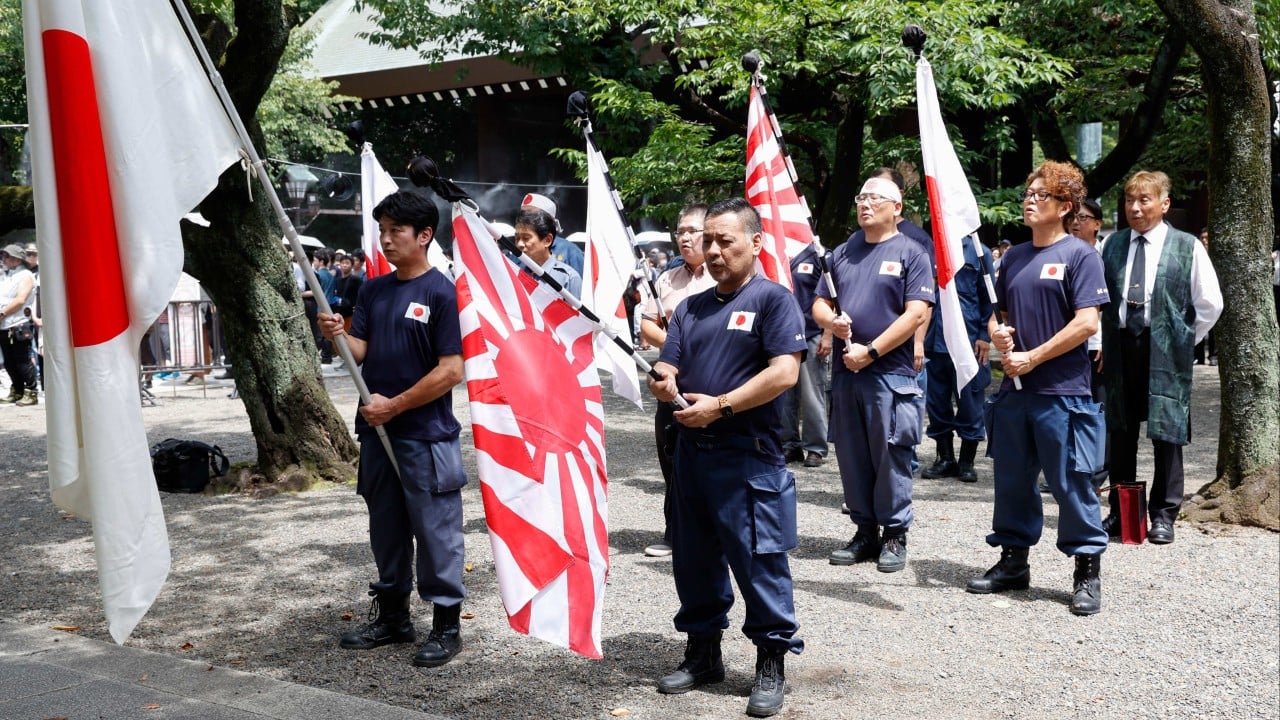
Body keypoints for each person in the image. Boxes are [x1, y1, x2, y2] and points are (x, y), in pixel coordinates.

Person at [647, 197, 805, 718]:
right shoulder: (691, 306)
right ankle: (702, 653)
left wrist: (722, 405)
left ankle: (770, 660)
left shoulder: (773, 301)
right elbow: (669, 364)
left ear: (755, 243)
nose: (713, 251)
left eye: (724, 240)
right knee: (693, 560)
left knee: (759, 563)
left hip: (747, 456)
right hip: (691, 454)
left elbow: (785, 373)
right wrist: (665, 380)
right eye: (707, 241)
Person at [318, 190, 469, 668]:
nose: (385, 240)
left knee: (437, 530)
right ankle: (393, 617)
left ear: (424, 235)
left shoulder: (441, 293)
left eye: (395, 231)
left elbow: (451, 370)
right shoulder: (374, 289)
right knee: (385, 525)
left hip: (426, 435)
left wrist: (396, 405)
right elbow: (360, 351)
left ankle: (446, 625)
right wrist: (339, 335)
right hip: (377, 436)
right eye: (381, 230)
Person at [966, 160, 1109, 616]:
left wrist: (1035, 355)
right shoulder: (1015, 257)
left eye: (1040, 194)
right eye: (1027, 193)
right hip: (1014, 392)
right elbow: (999, 314)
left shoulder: (1080, 256)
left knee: (1070, 482)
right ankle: (1013, 561)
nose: (1029, 200)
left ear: (1065, 206)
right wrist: (999, 333)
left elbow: (1087, 321)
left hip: (1062, 392)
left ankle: (1086, 569)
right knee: (1011, 479)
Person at [814, 176, 933, 573]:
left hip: (890, 373)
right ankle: (864, 530)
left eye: (874, 199)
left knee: (890, 453)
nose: (865, 204)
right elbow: (818, 302)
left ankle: (895, 532)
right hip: (849, 372)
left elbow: (916, 312)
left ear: (896, 207)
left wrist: (874, 349)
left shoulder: (911, 252)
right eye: (861, 197)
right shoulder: (843, 253)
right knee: (851, 453)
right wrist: (833, 323)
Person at [1099, 171, 1222, 545]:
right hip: (1121, 345)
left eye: (1144, 200)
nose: (1135, 208)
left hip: (1165, 348)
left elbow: (1210, 303)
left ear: (1164, 204)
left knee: (1167, 433)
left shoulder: (1186, 246)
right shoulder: (1112, 245)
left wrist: (1184, 340)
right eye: (1129, 201)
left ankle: (1164, 514)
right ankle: (1122, 513)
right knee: (1120, 432)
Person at [638, 203, 714, 558]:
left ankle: (714, 531)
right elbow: (647, 325)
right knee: (671, 456)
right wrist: (676, 345)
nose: (685, 238)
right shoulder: (666, 279)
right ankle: (676, 529)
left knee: (712, 457)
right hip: (671, 381)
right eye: (680, 231)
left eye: (692, 231)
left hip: (714, 383)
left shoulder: (722, 277)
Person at [919, 233, 993, 483]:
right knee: (937, 403)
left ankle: (967, 462)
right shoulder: (930, 249)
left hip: (968, 342)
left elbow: (990, 295)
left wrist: (985, 334)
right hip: (934, 341)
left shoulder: (977, 251)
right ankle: (945, 458)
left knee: (971, 404)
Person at [781, 243, 832, 468]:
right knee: (783, 394)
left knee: (812, 394)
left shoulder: (819, 254)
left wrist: (828, 334)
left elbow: (831, 295)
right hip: (781, 335)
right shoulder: (775, 247)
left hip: (811, 332)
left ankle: (815, 448)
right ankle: (789, 444)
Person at [513, 207, 582, 297]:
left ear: (547, 240)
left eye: (526, 238)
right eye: (517, 238)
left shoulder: (568, 278)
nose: (519, 244)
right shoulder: (514, 272)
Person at [0, 244, 38, 405]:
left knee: (22, 360)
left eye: (6, 256)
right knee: (9, 361)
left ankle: (31, 390)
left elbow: (20, 299)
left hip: (18, 323)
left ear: (16, 259)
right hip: (5, 324)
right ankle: (17, 389)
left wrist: (2, 313)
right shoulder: (7, 276)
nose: (4, 259)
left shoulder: (26, 275)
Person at [520, 193, 584, 277]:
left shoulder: (571, 252)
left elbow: (580, 288)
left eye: (532, 216)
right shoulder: (517, 252)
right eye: (523, 215)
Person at [1192, 229, 1217, 366]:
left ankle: (1213, 355)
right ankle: (1198, 356)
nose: (1205, 241)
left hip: (1214, 293)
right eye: (1203, 238)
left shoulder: (1217, 256)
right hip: (1197, 294)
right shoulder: (1196, 253)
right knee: (1197, 322)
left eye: (1207, 238)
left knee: (1213, 326)